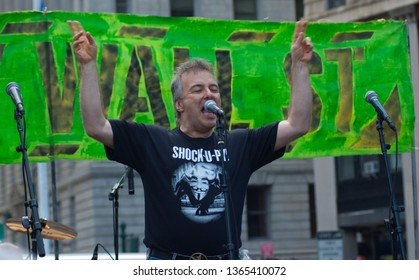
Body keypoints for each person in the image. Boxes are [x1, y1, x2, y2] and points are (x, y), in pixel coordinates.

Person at [67, 20, 313, 260]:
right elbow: (96, 126)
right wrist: (87, 65)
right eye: (198, 89)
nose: (209, 94)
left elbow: (298, 125)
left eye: (214, 89)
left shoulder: (239, 144)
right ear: (179, 104)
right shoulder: (153, 141)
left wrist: (300, 66)